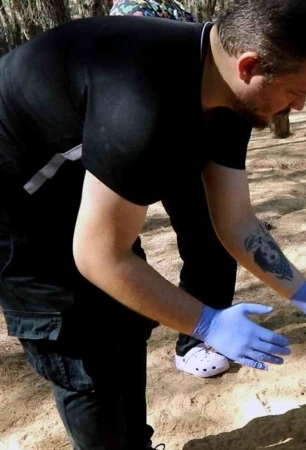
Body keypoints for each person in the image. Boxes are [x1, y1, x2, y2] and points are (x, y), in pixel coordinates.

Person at [0, 1, 306, 448]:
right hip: (16, 203)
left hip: (77, 177)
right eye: (299, 91)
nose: (298, 106)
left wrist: (304, 293)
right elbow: (99, 255)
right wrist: (209, 325)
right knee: (82, 347)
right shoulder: (142, 99)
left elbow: (236, 220)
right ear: (250, 66)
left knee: (123, 320)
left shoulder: (233, 99)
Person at [108, 0, 238, 378]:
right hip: (127, 136)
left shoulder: (176, 12)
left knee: (210, 236)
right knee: (117, 246)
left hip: (185, 137)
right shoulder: (127, 21)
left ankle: (196, 338)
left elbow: (237, 222)